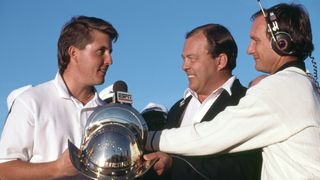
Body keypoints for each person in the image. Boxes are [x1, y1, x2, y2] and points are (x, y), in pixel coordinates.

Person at [145, 3, 320, 179]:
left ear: (281, 42)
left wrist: (145, 139)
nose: (249, 49)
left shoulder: (282, 87)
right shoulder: (302, 85)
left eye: (256, 40)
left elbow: (210, 136)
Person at [0, 16, 118, 179]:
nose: (109, 60)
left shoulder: (109, 114)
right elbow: (3, 171)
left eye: (110, 52)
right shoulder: (31, 102)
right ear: (74, 53)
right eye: (101, 51)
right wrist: (57, 168)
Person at [146, 24, 262, 180]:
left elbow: (248, 167)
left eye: (192, 58)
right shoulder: (177, 109)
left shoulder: (248, 101)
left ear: (220, 61)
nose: (184, 66)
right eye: (183, 59)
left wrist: (174, 167)